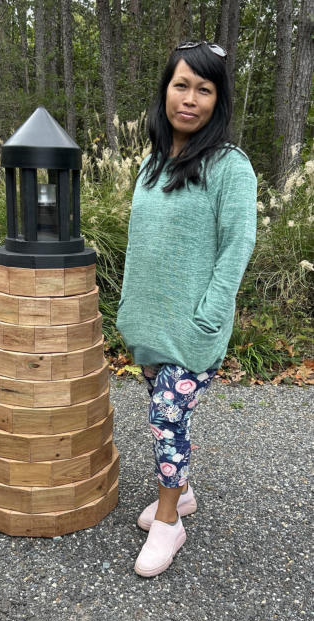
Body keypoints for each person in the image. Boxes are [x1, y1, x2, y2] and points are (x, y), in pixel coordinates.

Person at [116, 41, 257, 577]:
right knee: (164, 419)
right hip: (150, 324)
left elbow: (236, 248)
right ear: (165, 92)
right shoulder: (151, 165)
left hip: (194, 329)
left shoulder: (230, 166)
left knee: (165, 419)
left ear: (216, 100)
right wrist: (129, 309)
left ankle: (170, 520)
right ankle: (185, 492)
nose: (191, 98)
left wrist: (209, 317)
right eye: (182, 85)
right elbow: (139, 245)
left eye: (204, 88)